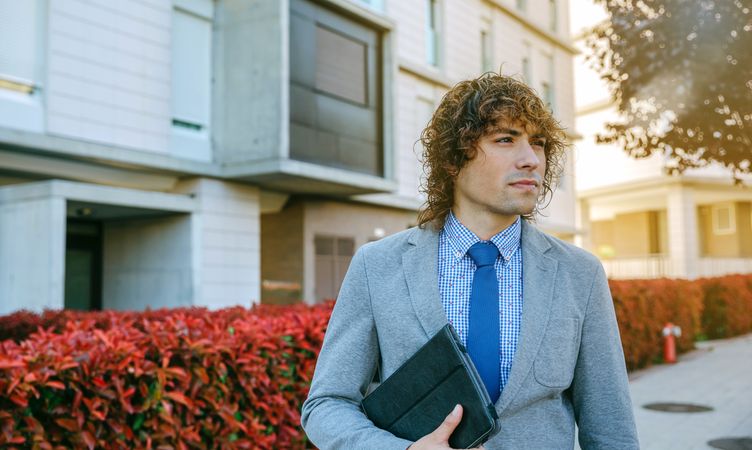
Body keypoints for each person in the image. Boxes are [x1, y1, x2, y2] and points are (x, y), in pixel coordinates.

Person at [300, 73, 639, 449]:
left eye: (538, 143)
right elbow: (327, 404)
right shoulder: (377, 265)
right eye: (506, 139)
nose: (531, 160)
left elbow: (611, 429)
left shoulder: (580, 273)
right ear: (453, 159)